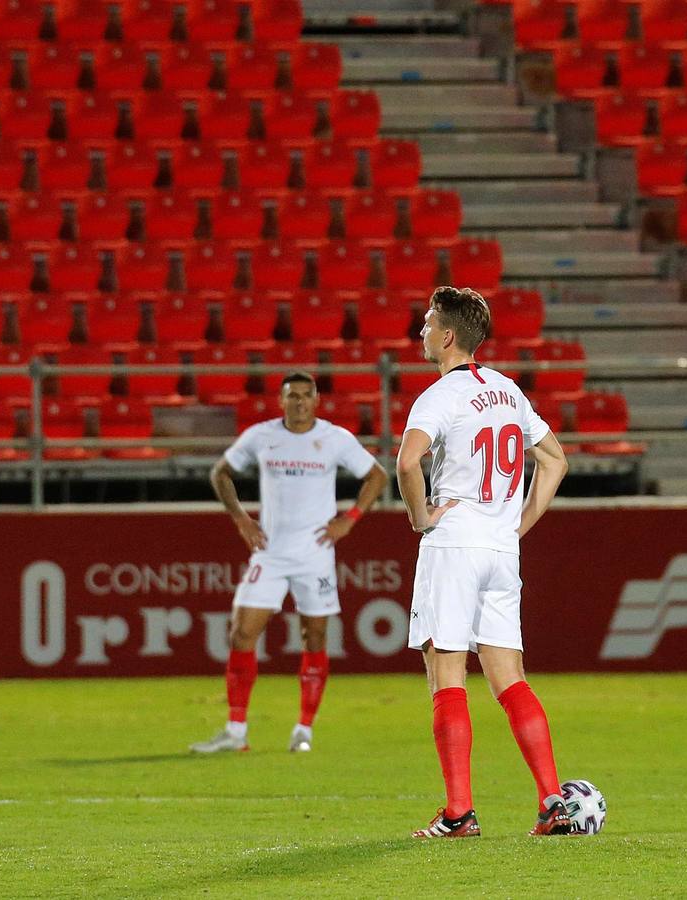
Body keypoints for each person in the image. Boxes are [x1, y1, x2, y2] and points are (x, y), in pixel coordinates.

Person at [394, 287, 571, 838]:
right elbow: (555, 460)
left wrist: (421, 517)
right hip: (500, 551)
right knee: (509, 680)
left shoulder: (439, 397)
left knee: (446, 676)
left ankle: (458, 813)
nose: (421, 333)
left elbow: (406, 462)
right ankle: (551, 802)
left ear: (447, 336)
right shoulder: (507, 391)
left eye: (426, 324)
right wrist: (514, 526)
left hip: (453, 547)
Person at [190, 371, 389, 754]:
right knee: (241, 634)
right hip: (271, 552)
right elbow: (221, 472)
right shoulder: (262, 436)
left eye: (305, 395)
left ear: (316, 401)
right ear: (281, 401)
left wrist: (349, 520)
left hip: (315, 555)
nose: (298, 402)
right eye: (291, 395)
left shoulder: (334, 439)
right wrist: (240, 519)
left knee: (313, 637)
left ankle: (303, 730)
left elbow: (377, 477)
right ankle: (235, 731)